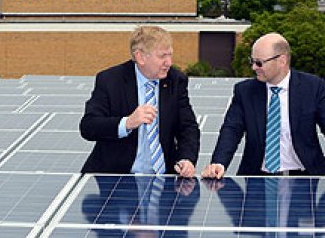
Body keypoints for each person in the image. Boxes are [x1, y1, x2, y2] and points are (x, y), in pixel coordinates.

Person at [80, 25, 200, 176]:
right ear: (140, 57)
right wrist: (127, 123)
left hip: (164, 177)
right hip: (116, 177)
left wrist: (186, 158)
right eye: (162, 56)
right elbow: (88, 126)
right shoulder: (110, 80)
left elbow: (188, 127)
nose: (169, 62)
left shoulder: (176, 81)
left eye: (170, 55)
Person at [202, 32, 325, 178]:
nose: (254, 67)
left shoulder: (313, 87)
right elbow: (231, 129)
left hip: (306, 177)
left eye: (259, 62)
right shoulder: (245, 91)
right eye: (252, 61)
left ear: (282, 60)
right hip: (257, 177)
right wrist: (219, 162)